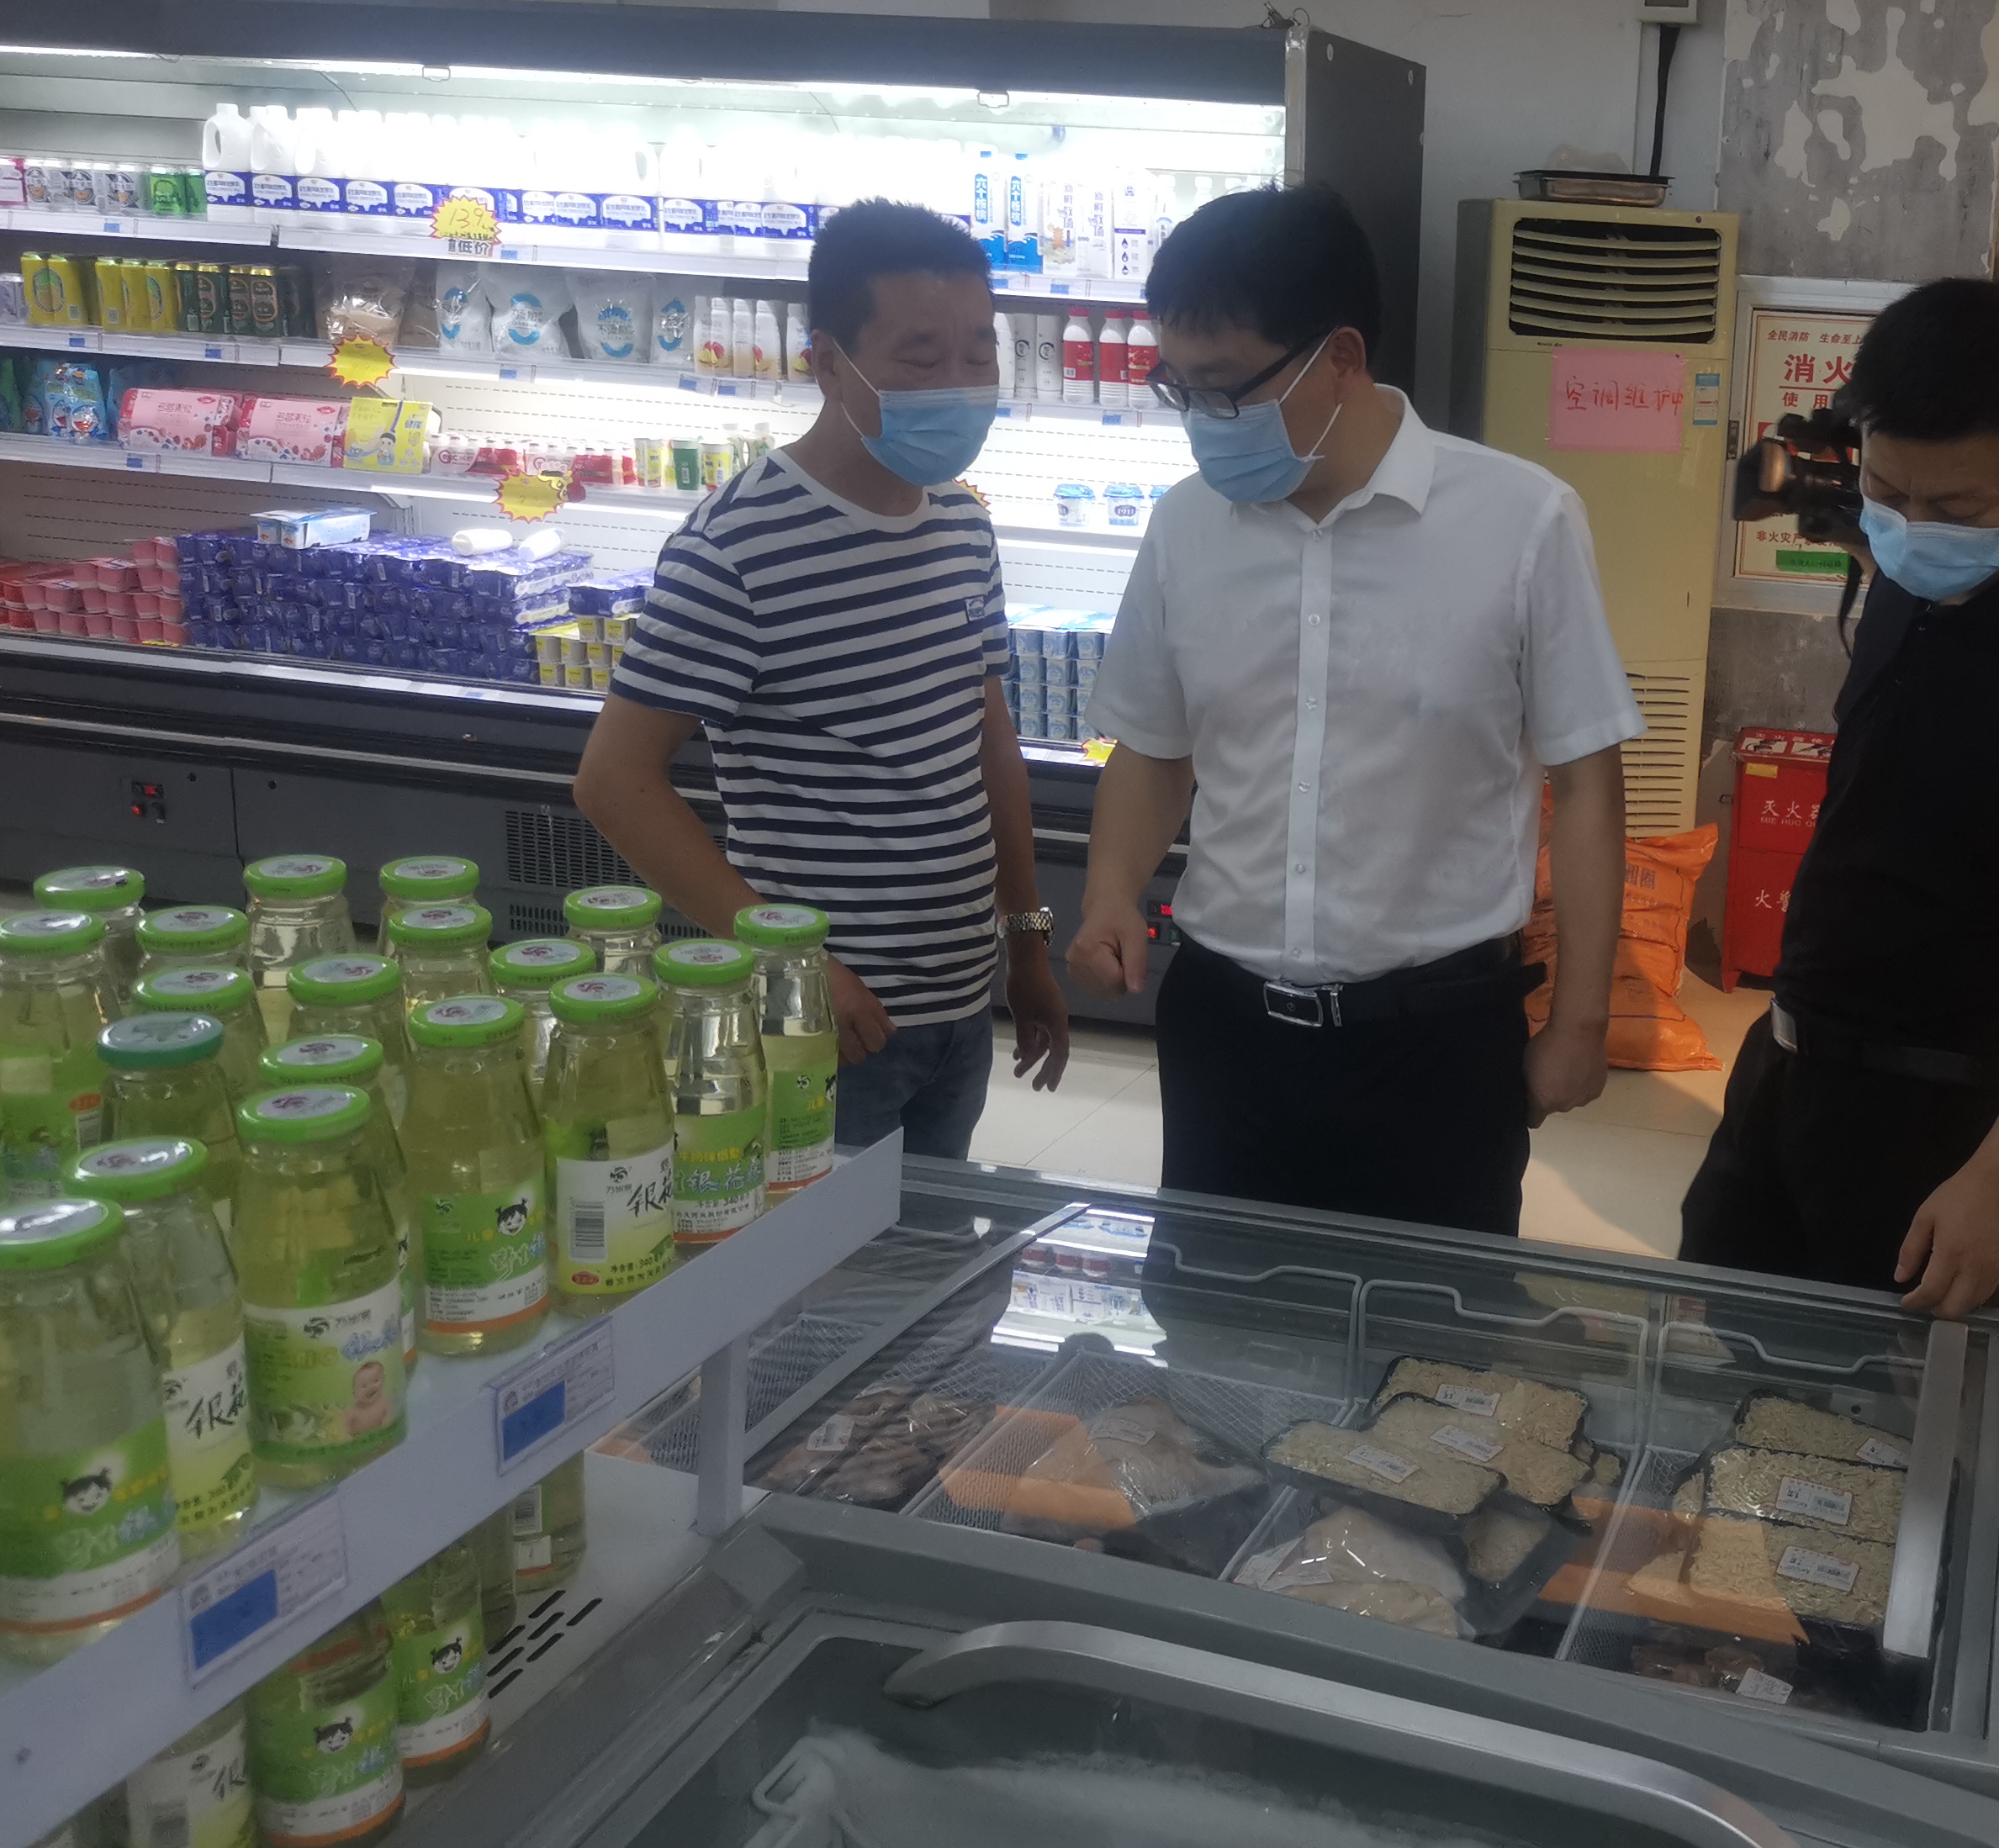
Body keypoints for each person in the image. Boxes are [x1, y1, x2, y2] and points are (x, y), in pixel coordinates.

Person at [1065, 182, 1639, 1234]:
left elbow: (1589, 782)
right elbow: (1153, 747)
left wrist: (1581, 1022)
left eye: (1226, 387)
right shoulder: (1187, 526)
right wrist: (1109, 891)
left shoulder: (1522, 521)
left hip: (1437, 1038)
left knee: (1431, 1329)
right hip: (1225, 1030)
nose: (1201, 420)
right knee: (1217, 1313)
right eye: (1179, 386)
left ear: (1340, 356)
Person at [1678, 279, 1999, 1317]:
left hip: (1941, 1121)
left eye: (1955, 509)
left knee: (1884, 1400)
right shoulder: (1903, 579)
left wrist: (1995, 1181)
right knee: (1724, 1350)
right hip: (1788, 1059)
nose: (1912, 529)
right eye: (1888, 491)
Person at [574, 198, 1071, 1156]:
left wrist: (1026, 938)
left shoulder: (963, 525)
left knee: (925, 1238)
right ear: (828, 363)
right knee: (821, 1249)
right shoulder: (735, 548)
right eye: (922, 358)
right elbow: (613, 782)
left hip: (960, 1001)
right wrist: (786, 961)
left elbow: (988, 742)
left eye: (980, 353)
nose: (961, 384)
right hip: (823, 1021)